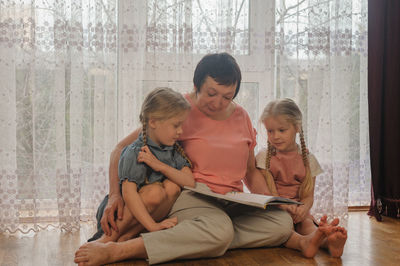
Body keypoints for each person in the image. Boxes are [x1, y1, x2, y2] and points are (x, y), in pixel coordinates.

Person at [75, 53, 342, 266]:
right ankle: (118, 250)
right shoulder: (178, 109)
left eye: (227, 96)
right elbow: (121, 148)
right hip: (194, 195)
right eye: (211, 93)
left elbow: (250, 172)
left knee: (279, 224)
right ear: (196, 85)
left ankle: (198, 238)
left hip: (234, 200)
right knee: (220, 230)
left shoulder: (242, 117)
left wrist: (275, 203)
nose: (218, 102)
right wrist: (114, 194)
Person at [89, 87, 195, 243]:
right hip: (119, 214)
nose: (181, 131)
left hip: (143, 217)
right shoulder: (136, 151)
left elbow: (190, 182)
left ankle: (128, 237)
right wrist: (153, 226)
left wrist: (160, 166)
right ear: (153, 122)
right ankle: (105, 239)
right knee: (155, 193)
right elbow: (129, 194)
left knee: (173, 186)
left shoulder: (172, 149)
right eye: (176, 125)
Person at [256, 98, 347, 257]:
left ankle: (329, 242)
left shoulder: (308, 159)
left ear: (297, 127)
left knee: (307, 226)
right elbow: (268, 193)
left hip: (299, 210)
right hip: (275, 210)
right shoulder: (265, 157)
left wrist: (303, 209)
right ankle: (306, 243)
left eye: (282, 130)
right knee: (284, 229)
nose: (275, 136)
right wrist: (285, 207)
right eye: (270, 131)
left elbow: (307, 196)